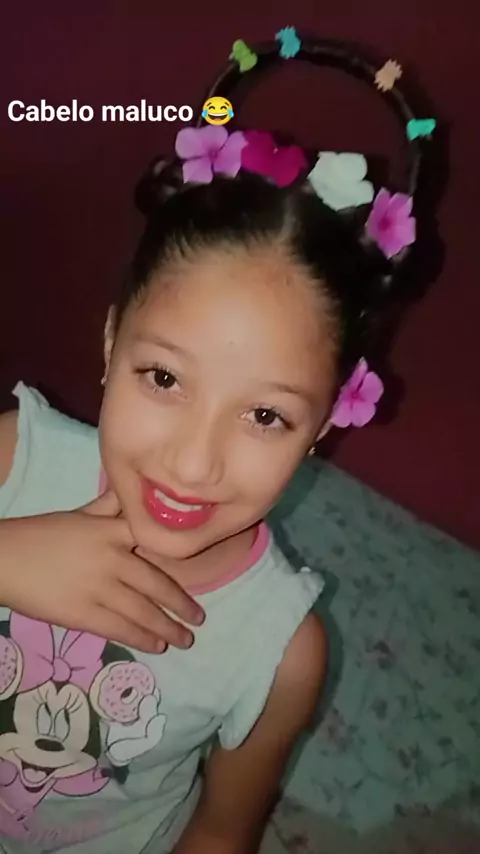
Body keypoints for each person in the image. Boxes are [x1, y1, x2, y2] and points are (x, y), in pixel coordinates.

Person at [0, 29, 435, 854]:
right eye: (164, 377)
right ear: (111, 343)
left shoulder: (279, 652)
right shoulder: (14, 457)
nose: (192, 464)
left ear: (325, 424)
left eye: (265, 416)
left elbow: (220, 833)